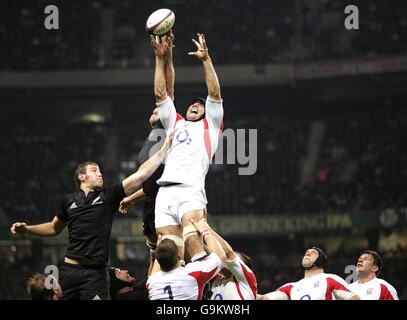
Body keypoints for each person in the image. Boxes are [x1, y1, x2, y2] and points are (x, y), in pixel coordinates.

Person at [10, 134, 173, 300]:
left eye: (100, 171)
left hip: (95, 275)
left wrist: (164, 149)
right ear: (82, 177)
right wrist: (27, 229)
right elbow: (53, 228)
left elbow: (140, 175)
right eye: (94, 171)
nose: (100, 174)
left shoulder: (108, 195)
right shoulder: (68, 201)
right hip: (69, 271)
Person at [151, 31, 224, 260]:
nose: (195, 105)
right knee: (169, 253)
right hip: (164, 193)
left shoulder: (211, 126)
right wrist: (159, 58)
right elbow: (161, 94)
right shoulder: (176, 122)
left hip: (190, 190)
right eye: (193, 103)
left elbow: (214, 93)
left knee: (196, 249)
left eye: (200, 105)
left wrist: (206, 60)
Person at [119, 32, 176, 255]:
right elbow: (152, 182)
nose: (155, 110)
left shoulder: (165, 127)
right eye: (154, 111)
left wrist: (164, 56)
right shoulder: (153, 136)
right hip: (152, 199)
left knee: (169, 251)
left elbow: (167, 90)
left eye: (158, 109)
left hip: (166, 201)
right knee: (154, 251)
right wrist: (132, 198)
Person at [146, 219, 226, 300]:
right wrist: (204, 231)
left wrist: (159, 246)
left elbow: (155, 267)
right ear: (179, 256)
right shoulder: (193, 273)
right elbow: (221, 256)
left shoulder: (152, 282)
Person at [257, 247, 360, 300]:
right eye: (307, 252)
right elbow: (262, 298)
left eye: (313, 253)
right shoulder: (291, 286)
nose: (307, 253)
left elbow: (354, 298)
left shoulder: (330, 279)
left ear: (320, 261)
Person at [195, 219, 257, 300]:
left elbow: (228, 253)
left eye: (232, 262)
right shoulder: (217, 279)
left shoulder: (246, 280)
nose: (226, 261)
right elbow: (212, 255)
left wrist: (206, 229)